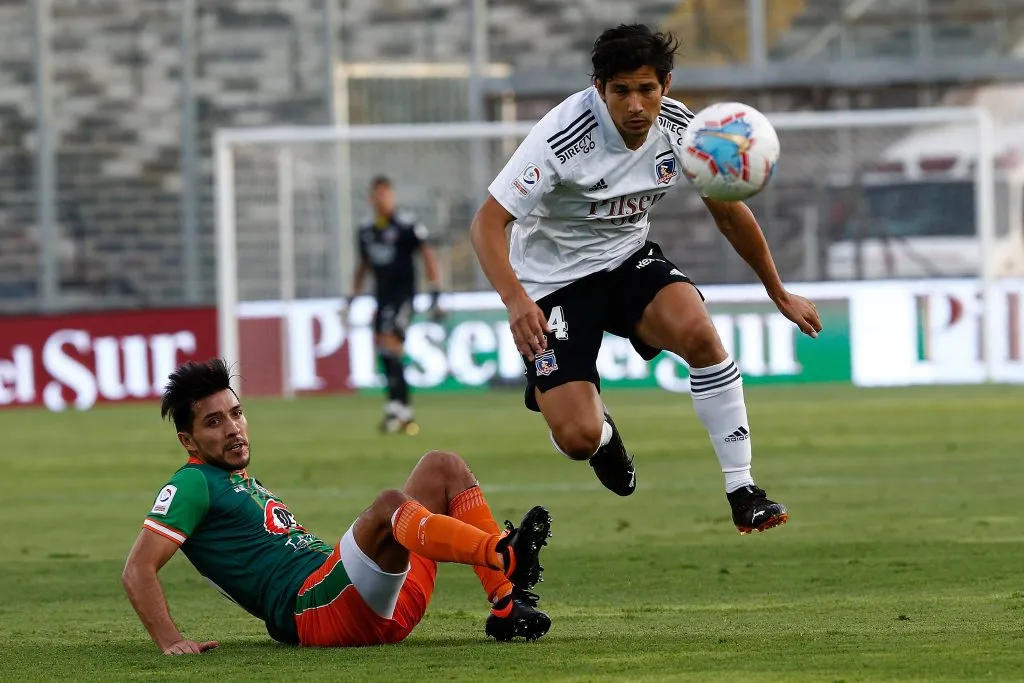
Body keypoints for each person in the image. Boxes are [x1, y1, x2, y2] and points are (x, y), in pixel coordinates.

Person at [469, 24, 822, 534]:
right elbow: (487, 222)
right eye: (621, 91)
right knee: (577, 437)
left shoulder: (682, 129)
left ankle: (744, 489)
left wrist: (778, 290)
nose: (635, 104)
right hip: (553, 284)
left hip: (627, 260)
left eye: (647, 89)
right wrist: (516, 300)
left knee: (700, 334)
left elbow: (728, 213)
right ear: (600, 88)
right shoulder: (561, 138)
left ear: (667, 85)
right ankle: (605, 439)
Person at [121, 359, 553, 654]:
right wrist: (169, 639)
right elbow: (137, 568)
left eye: (236, 413)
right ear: (188, 441)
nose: (234, 429)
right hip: (316, 611)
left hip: (371, 600)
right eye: (214, 422)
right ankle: (502, 553)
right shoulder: (193, 483)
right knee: (388, 506)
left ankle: (506, 603)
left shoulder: (234, 480)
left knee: (442, 467)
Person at [349, 175, 444, 435]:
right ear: (371, 198)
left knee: (391, 343)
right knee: (385, 351)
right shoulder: (366, 230)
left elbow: (426, 254)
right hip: (381, 298)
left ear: (392, 196)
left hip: (403, 297)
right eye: (377, 194)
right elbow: (364, 265)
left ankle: (404, 411)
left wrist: (435, 288)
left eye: (385, 194)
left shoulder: (406, 225)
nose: (382, 199)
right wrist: (352, 295)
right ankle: (396, 409)